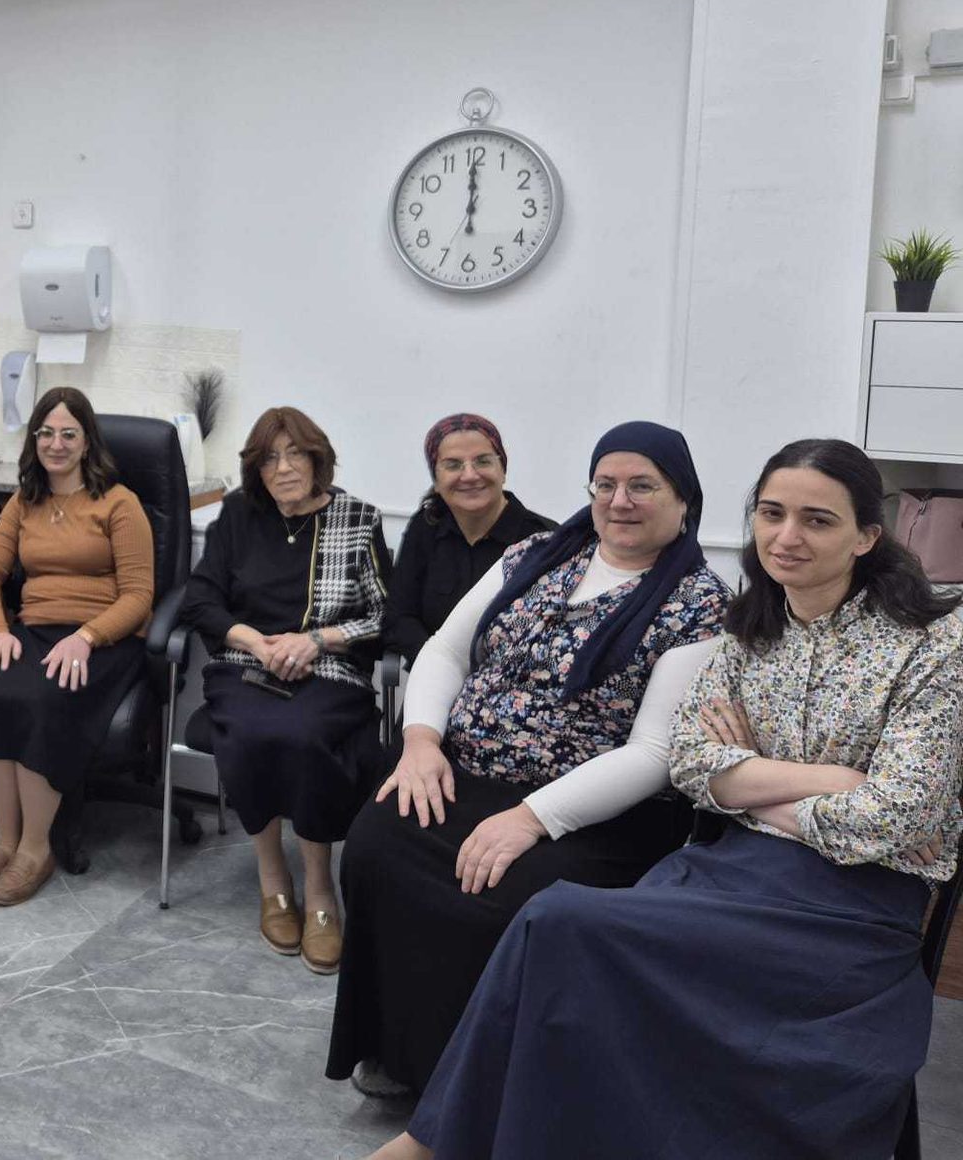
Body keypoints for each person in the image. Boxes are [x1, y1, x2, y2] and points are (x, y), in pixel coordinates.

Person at [370, 438, 963, 1160]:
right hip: (729, 870)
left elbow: (901, 815)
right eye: (771, 513)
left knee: (562, 919)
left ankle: (433, 1144)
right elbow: (690, 765)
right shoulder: (749, 629)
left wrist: (752, 785)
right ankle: (436, 1141)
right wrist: (832, 781)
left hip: (851, 907)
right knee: (553, 922)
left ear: (868, 535)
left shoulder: (932, 644)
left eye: (817, 520)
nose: (786, 537)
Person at [325, 421, 731, 1099]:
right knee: (372, 846)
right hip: (464, 771)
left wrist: (532, 818)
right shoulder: (536, 554)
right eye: (606, 484)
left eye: (642, 486)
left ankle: (476, 1090)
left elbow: (655, 754)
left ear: (683, 500)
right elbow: (449, 652)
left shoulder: (701, 605)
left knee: (496, 901)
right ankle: (396, 1047)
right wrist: (421, 741)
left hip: (591, 812)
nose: (620, 500)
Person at [180, 406, 391, 971]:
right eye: (270, 458)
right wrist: (258, 642)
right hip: (245, 666)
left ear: (317, 457)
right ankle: (273, 878)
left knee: (303, 736)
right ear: (256, 469)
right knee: (248, 733)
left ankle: (320, 886)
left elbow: (381, 615)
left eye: (295, 453)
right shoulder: (237, 518)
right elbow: (200, 600)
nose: (284, 468)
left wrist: (318, 641)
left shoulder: (358, 518)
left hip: (329, 672)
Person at [0, 386, 155, 907]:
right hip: (34, 630)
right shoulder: (24, 501)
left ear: (87, 443)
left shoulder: (119, 503)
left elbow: (140, 596)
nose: (55, 444)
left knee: (42, 700)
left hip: (101, 637)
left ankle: (37, 849)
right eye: (45, 433)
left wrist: (86, 638)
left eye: (68, 434)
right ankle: (6, 841)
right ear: (34, 439)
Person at [381, 413, 553, 664]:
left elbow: (549, 636)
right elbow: (398, 618)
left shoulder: (544, 541)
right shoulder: (426, 526)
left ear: (502, 470)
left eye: (483, 461)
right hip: (431, 673)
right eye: (453, 465)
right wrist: (438, 665)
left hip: (511, 687)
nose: (470, 475)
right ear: (436, 481)